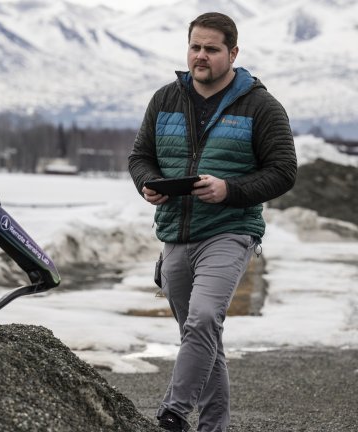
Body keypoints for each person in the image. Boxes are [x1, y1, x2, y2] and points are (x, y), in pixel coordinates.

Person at [128, 12, 297, 432]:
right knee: (203, 339)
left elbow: (283, 170)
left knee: (203, 319)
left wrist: (230, 190)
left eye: (211, 49)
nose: (200, 56)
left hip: (229, 231)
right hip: (175, 233)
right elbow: (140, 156)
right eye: (195, 47)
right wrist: (147, 183)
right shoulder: (166, 98)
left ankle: (174, 412)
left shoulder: (261, 106)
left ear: (233, 53)